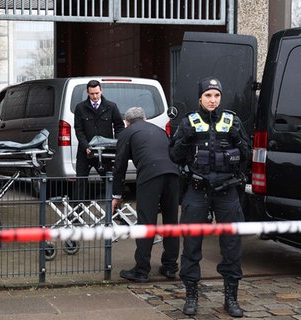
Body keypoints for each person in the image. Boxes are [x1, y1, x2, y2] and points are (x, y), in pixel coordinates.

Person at [169, 77, 251, 317]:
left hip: (227, 191)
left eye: (216, 95)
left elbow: (246, 154)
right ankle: (191, 296)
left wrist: (237, 143)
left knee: (232, 245)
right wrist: (186, 138)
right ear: (200, 98)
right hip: (197, 190)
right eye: (208, 95)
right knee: (192, 244)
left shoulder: (232, 121)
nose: (212, 100)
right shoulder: (188, 122)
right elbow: (174, 155)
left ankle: (231, 298)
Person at [111, 107, 180, 283]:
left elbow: (119, 166)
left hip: (150, 176)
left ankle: (141, 270)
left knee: (146, 222)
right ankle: (171, 266)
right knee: (171, 221)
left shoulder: (127, 133)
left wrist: (116, 195)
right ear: (145, 118)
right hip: (173, 174)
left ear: (127, 122)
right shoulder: (159, 130)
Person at [74, 80, 124, 200]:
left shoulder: (111, 106)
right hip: (85, 152)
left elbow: (119, 126)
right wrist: (86, 146)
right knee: (80, 182)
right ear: (87, 92)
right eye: (92, 94)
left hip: (105, 152)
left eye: (97, 93)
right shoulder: (80, 108)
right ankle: (76, 213)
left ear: (101, 90)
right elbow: (78, 130)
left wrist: (116, 144)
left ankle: (114, 211)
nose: (95, 96)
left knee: (110, 182)